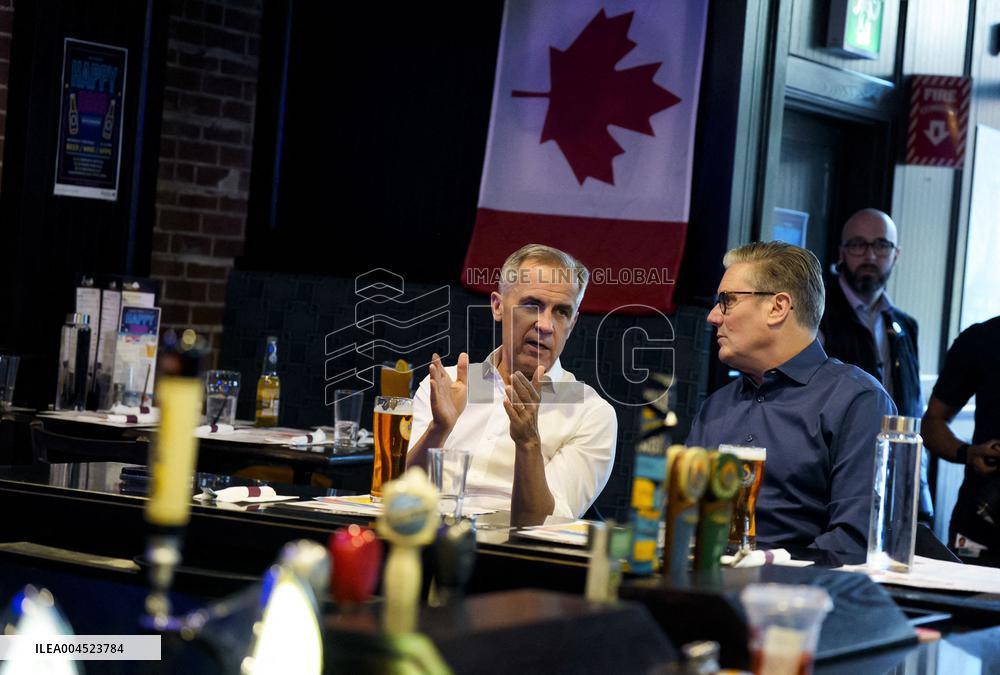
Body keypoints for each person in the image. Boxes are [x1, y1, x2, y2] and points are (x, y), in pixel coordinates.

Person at [687, 241, 895, 555]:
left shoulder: (857, 401)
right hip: (701, 587)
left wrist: (763, 571)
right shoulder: (715, 407)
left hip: (798, 596)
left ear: (778, 307)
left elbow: (854, 541)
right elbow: (683, 519)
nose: (713, 316)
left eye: (726, 301)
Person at [406, 244, 617, 522]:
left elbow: (544, 525)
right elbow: (400, 496)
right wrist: (439, 429)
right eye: (533, 305)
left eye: (561, 312)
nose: (546, 326)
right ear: (497, 306)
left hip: (515, 558)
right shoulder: (447, 385)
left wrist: (529, 442)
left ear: (572, 323)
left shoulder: (590, 413)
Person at [819, 208, 933, 522]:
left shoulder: (905, 326)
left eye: (881, 246)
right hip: (836, 479)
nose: (870, 255)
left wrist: (919, 486)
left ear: (896, 255)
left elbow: (914, 408)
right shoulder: (817, 313)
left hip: (895, 478)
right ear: (842, 252)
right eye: (858, 244)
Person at [922, 316, 1000, 563]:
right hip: (983, 519)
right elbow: (932, 422)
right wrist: (969, 453)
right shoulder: (982, 340)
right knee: (965, 600)